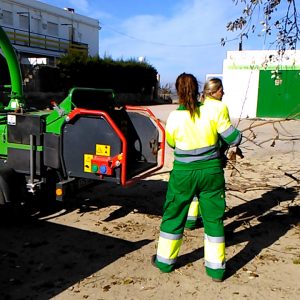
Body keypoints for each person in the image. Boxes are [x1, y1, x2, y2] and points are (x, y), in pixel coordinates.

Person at [152, 74, 242, 282]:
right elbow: (230, 137)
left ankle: (165, 262)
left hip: (184, 174)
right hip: (211, 172)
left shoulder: (174, 117)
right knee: (213, 219)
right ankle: (216, 270)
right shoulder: (211, 112)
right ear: (199, 90)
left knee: (174, 215)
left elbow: (173, 143)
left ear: (178, 92)